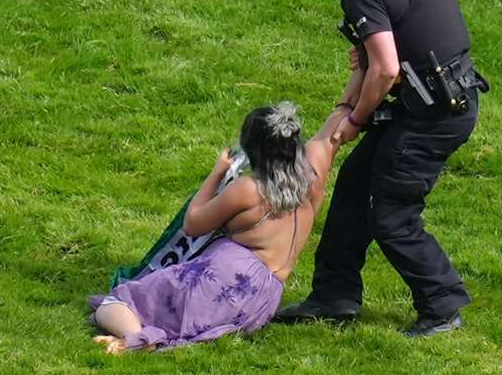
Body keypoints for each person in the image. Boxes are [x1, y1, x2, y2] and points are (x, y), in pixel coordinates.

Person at [275, 0, 488, 337]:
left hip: (430, 117)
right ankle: (334, 296)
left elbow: (386, 68)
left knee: (391, 212)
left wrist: (354, 120)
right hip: (446, 98)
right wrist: (346, 109)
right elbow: (377, 60)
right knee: (354, 190)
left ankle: (442, 304)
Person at [90, 102, 344, 352]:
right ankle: (137, 338)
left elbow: (193, 223)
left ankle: (137, 339)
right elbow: (330, 134)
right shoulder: (311, 189)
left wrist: (217, 172)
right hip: (261, 303)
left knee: (115, 304)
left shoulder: (250, 189)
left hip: (223, 285)